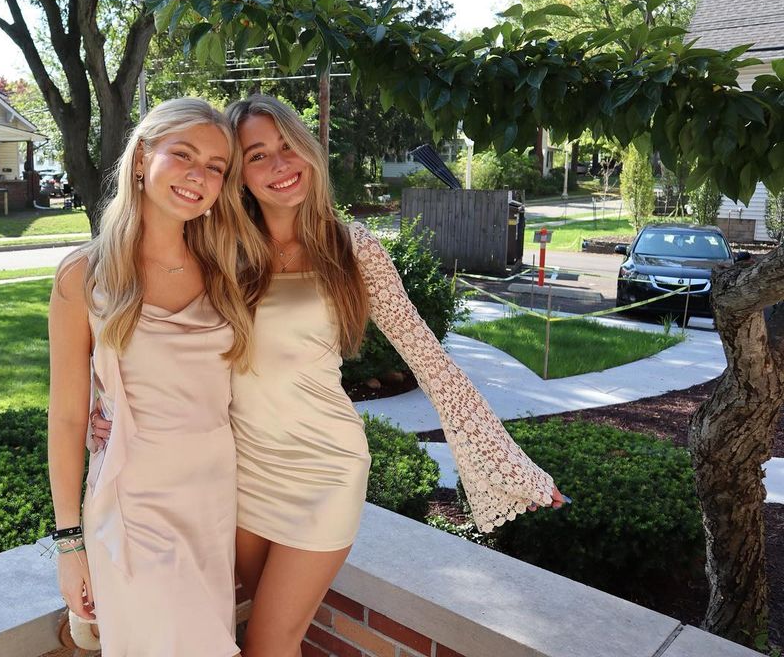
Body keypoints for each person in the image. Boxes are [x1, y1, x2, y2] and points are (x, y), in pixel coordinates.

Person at [92, 94, 568, 657]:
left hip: (324, 468)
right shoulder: (220, 248)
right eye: (258, 155)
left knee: (267, 643)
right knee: (265, 633)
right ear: (238, 173)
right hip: (240, 472)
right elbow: (146, 329)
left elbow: (430, 360)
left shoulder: (353, 248)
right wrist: (107, 407)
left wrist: (506, 460)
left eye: (288, 145)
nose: (280, 164)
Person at [47, 97, 252, 657]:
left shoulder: (228, 272)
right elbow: (67, 418)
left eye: (215, 166)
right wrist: (69, 545)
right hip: (132, 506)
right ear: (141, 158)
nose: (198, 176)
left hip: (212, 501)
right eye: (183, 154)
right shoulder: (84, 276)